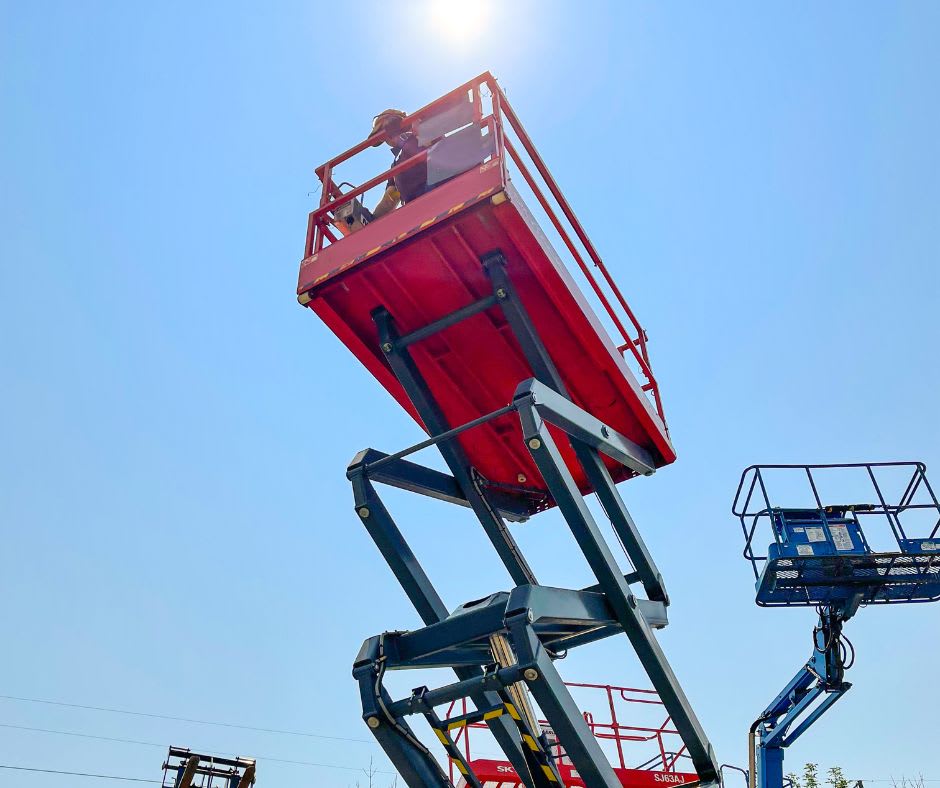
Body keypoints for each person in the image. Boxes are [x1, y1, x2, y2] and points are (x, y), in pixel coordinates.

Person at [369, 109, 429, 219]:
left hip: (441, 187)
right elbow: (390, 198)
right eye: (382, 135)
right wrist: (369, 221)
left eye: (385, 129)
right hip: (416, 209)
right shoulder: (396, 166)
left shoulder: (421, 131)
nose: (386, 137)